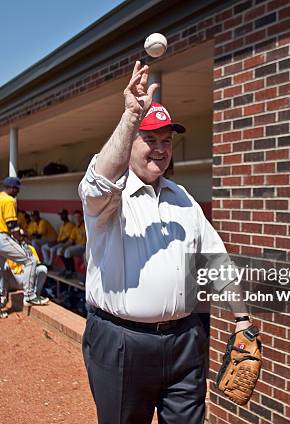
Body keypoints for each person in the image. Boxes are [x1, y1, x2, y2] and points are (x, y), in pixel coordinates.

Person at [78, 61, 253, 424]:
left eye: (167, 140)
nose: (160, 149)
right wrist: (130, 116)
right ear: (131, 144)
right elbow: (97, 181)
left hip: (185, 341)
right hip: (122, 342)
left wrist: (243, 320)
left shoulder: (183, 198)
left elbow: (216, 260)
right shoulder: (110, 196)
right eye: (150, 139)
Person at [0, 176, 39, 320]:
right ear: (12, 188)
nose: (18, 191)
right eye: (17, 189)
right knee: (31, 260)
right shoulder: (9, 200)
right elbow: (12, 225)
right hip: (0, 238)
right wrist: (20, 240)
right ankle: (30, 295)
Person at [1, 243, 49, 308]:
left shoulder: (30, 248)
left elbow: (37, 264)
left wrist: (28, 266)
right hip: (12, 279)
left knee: (42, 269)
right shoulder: (6, 248)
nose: (17, 236)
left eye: (19, 234)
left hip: (27, 280)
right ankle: (2, 296)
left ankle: (35, 296)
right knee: (3, 266)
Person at [59, 209, 86, 278]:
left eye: (78, 217)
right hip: (77, 246)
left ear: (82, 217)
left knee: (68, 251)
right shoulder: (75, 228)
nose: (77, 218)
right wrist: (63, 247)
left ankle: (72, 271)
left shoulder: (85, 226)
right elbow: (70, 241)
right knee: (60, 250)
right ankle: (68, 269)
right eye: (75, 217)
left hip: (84, 247)